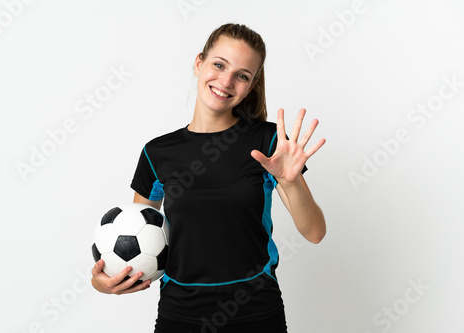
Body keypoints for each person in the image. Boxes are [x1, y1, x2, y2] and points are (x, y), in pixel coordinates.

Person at [91, 23, 326, 333]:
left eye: (242, 75)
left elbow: (314, 233)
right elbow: (136, 240)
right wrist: (103, 283)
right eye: (219, 65)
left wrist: (291, 181)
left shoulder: (270, 143)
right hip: (180, 316)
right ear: (199, 63)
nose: (226, 81)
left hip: (257, 314)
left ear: (252, 85)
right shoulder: (157, 152)